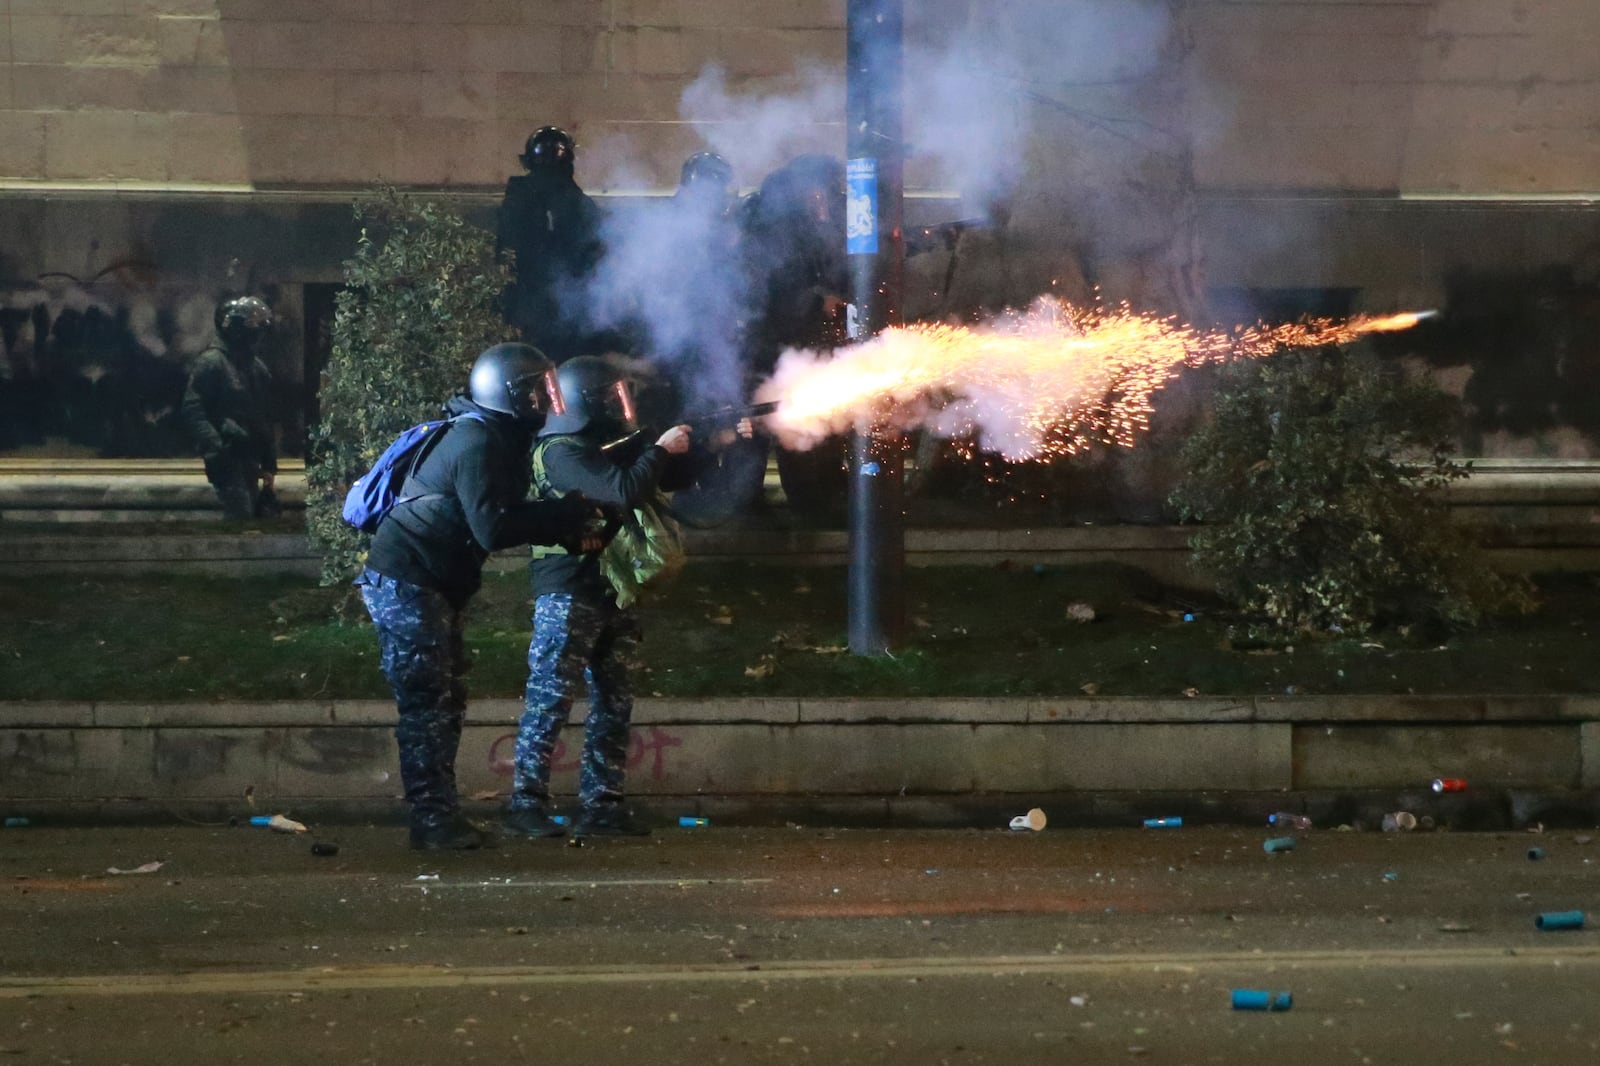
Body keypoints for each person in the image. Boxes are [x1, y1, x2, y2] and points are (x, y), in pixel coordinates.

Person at [358, 343, 600, 851]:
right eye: (537, 389)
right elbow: (492, 527)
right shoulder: (477, 441)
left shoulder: (498, 437)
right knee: (427, 703)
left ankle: (441, 815)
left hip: (433, 583)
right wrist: (563, 516)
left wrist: (565, 526)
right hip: (408, 580)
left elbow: (500, 514)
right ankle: (431, 821)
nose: (546, 399)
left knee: (447, 699)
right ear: (510, 393)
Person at [502, 356, 695, 842]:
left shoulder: (594, 447)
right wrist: (661, 449)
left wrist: (712, 446)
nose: (618, 405)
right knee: (551, 699)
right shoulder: (560, 451)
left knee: (614, 701)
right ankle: (525, 803)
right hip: (570, 588)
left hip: (613, 586)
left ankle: (603, 804)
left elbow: (660, 479)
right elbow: (624, 490)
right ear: (587, 401)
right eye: (609, 397)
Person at [495, 126, 605, 362]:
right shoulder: (577, 202)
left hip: (527, 310)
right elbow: (595, 255)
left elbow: (504, 252)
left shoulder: (518, 198)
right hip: (566, 312)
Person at [181, 295, 279, 520]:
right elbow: (193, 410)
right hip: (226, 458)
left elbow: (263, 417)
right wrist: (217, 444)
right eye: (249, 326)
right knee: (240, 514)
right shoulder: (211, 363)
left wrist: (269, 464)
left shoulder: (255, 368)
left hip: (249, 457)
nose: (255, 333)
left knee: (254, 516)